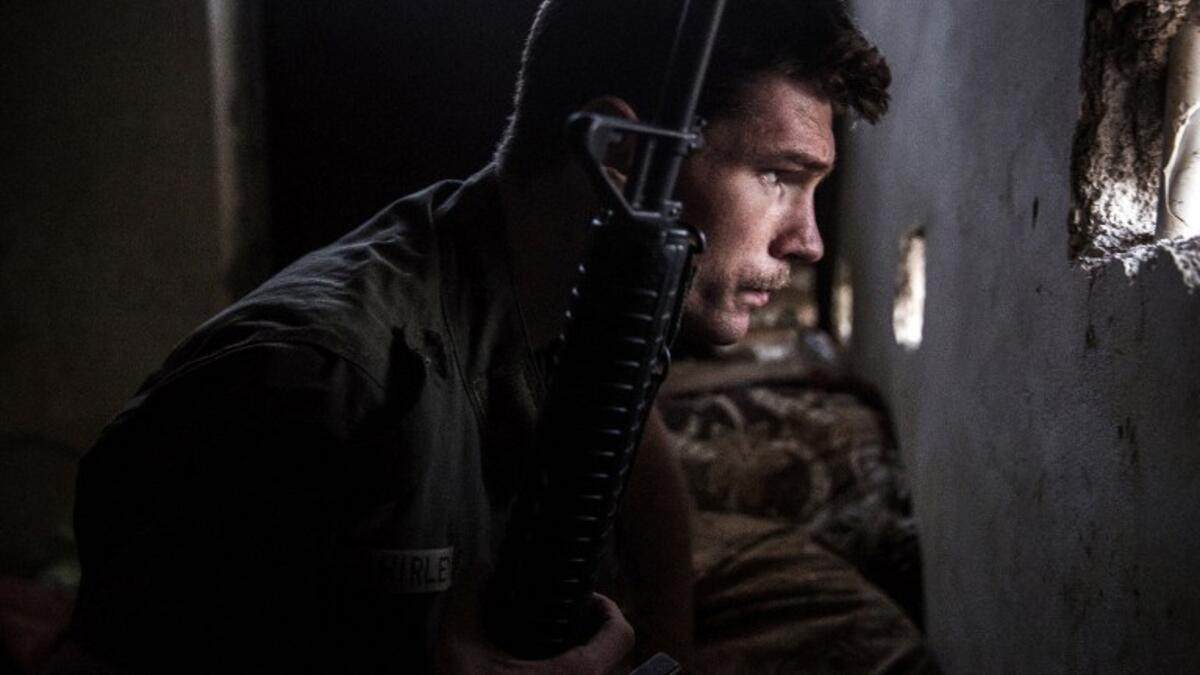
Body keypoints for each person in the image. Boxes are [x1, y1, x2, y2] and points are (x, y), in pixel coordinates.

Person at [48, 0, 890, 673]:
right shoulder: (313, 385)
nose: (807, 241)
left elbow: (633, 442)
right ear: (626, 156)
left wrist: (667, 651)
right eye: (780, 178)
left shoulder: (600, 302)